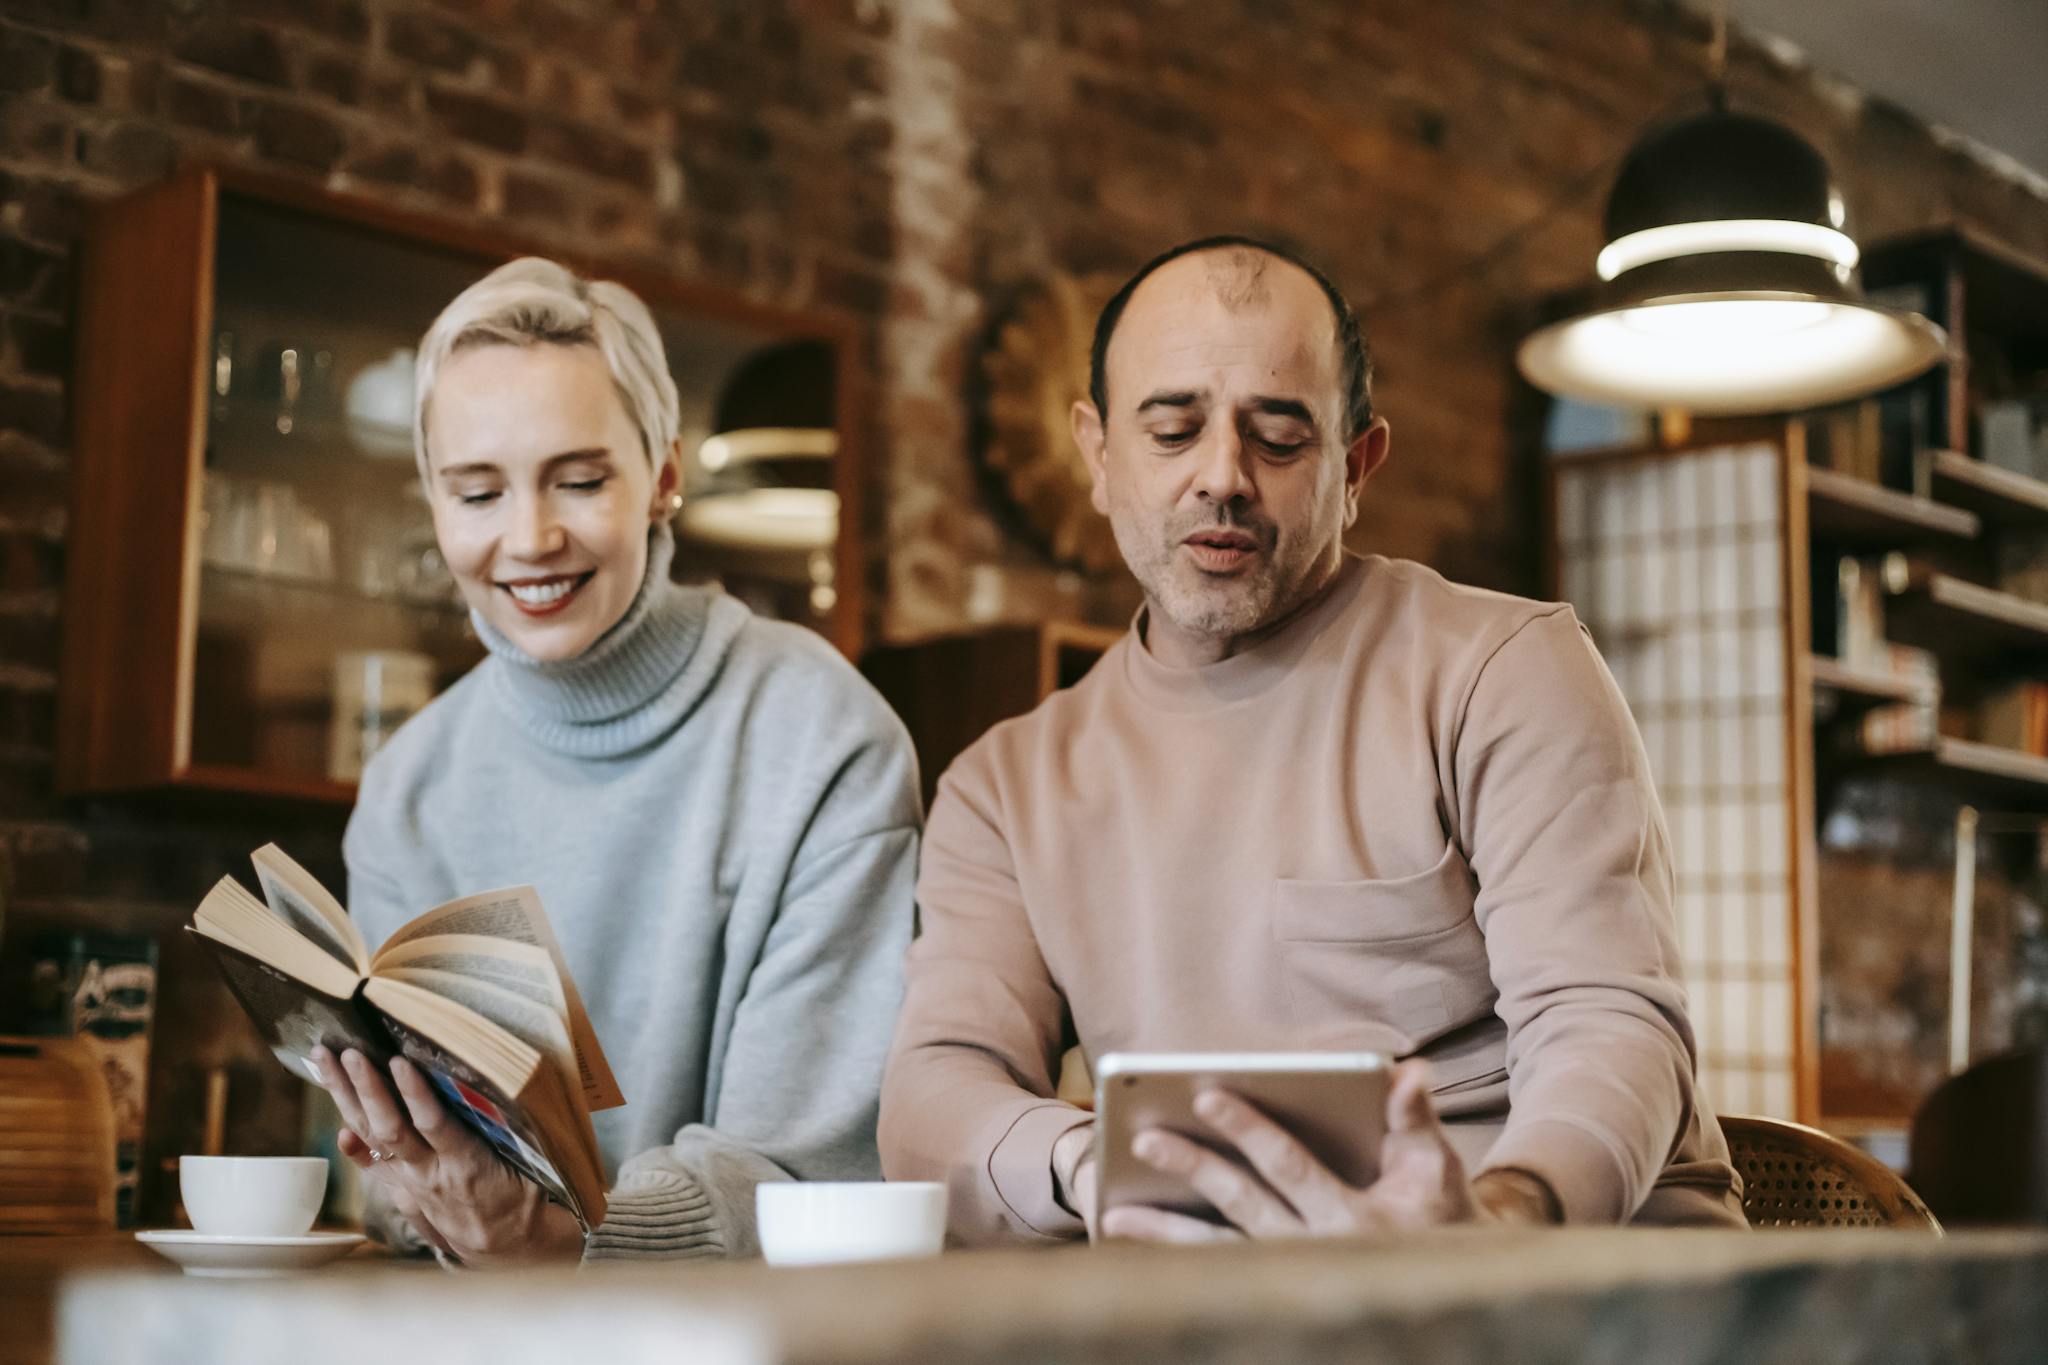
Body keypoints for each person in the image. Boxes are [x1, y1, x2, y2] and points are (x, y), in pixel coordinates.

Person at [878, 236, 1744, 1244]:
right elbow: (932, 1090)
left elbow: (1608, 1022)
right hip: (1242, 1313)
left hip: (1556, 1286)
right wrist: (1088, 1164)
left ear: (1355, 464)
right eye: (1170, 430)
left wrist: (1501, 1217)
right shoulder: (1003, 787)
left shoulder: (1503, 669)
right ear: (1098, 455)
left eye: (1278, 439)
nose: (1222, 477)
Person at [315, 257, 920, 1265]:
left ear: (664, 478)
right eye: (477, 493)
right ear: (434, 505)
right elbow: (416, 1180)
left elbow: (808, 1162)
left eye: (581, 480)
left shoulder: (820, 736)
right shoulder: (410, 785)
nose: (530, 537)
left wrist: (562, 1243)